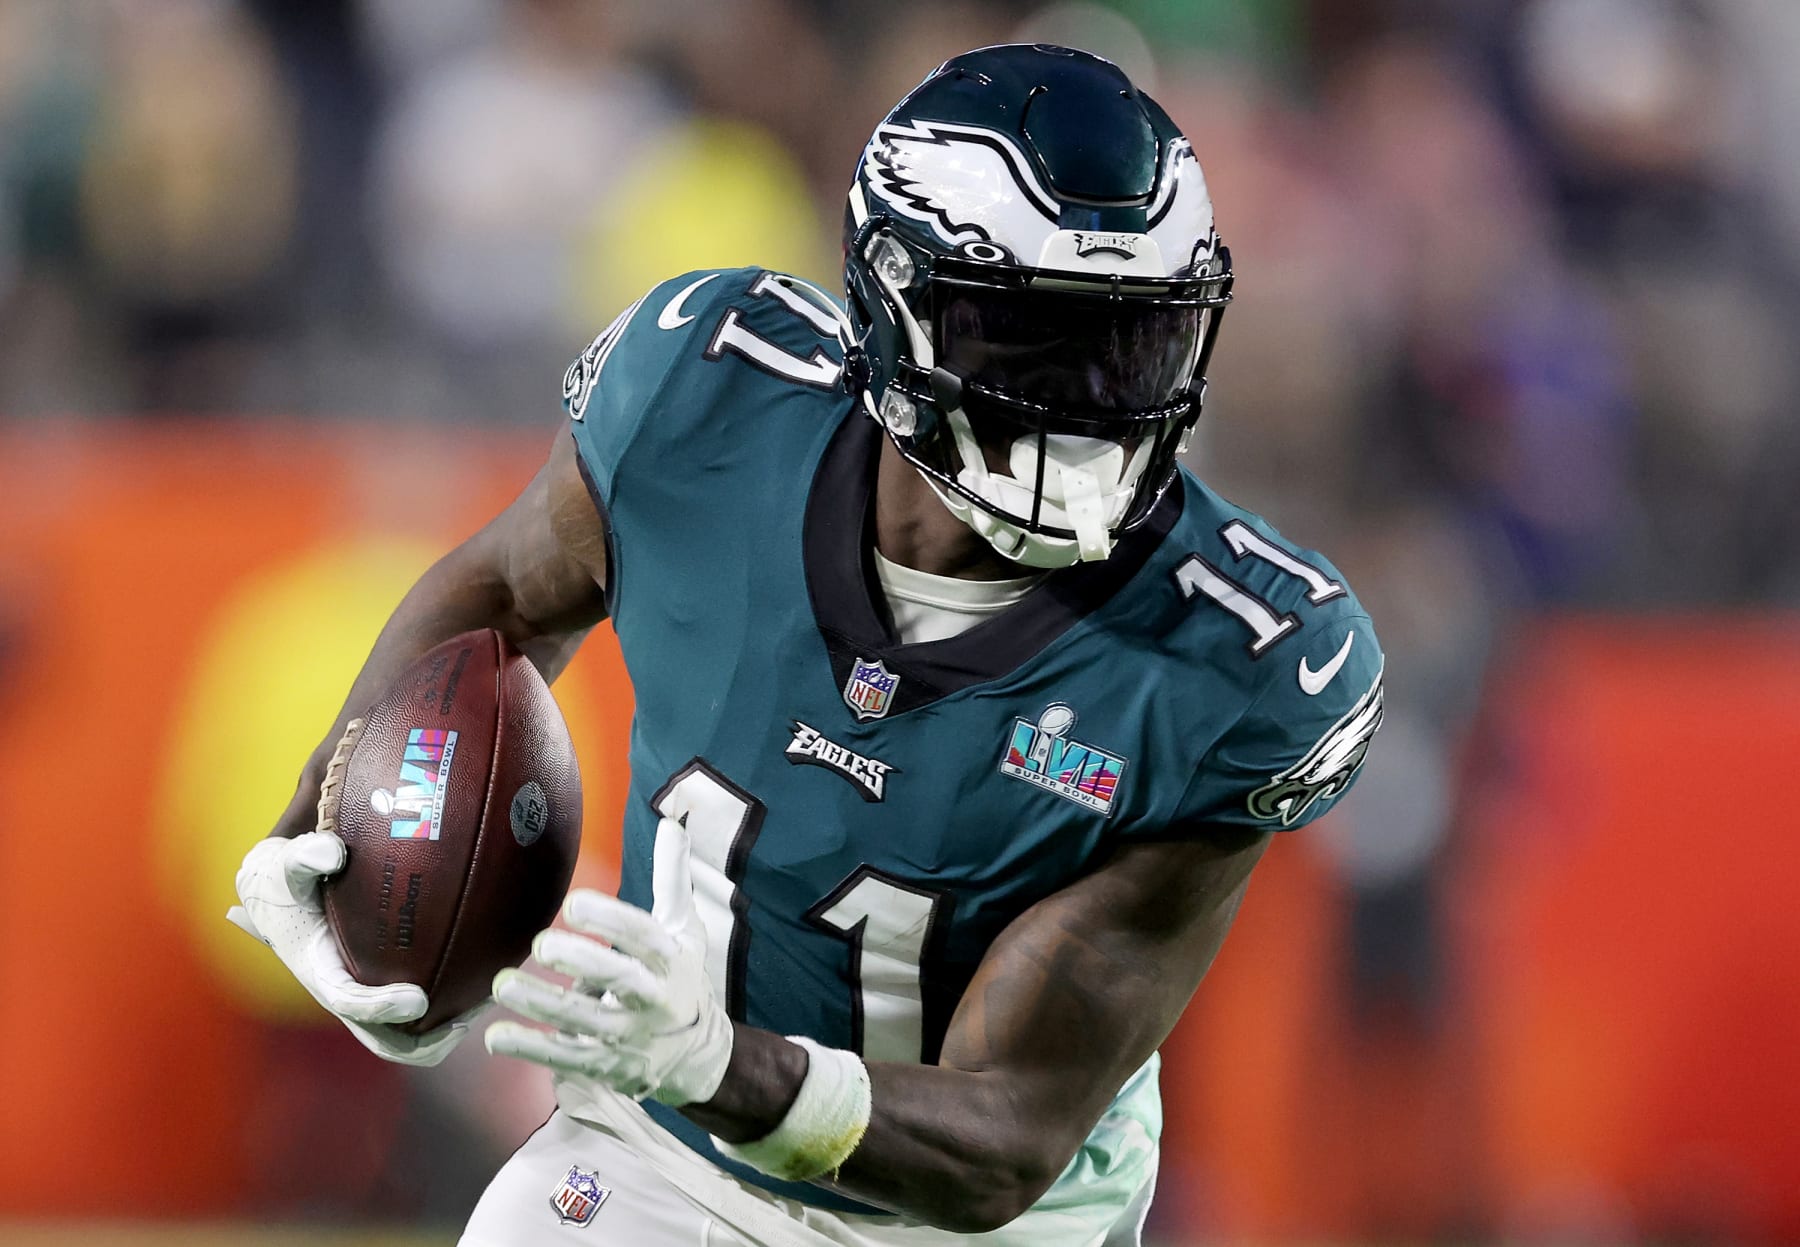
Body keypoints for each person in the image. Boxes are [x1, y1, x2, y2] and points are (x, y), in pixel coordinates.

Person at [228, 44, 1383, 1247]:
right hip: (652, 1159)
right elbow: (503, 595)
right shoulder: (706, 397)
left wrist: (723, 1061)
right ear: (894, 307)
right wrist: (335, 843)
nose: (1083, 400)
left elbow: (1007, 1134)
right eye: (1023, 339)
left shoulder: (1235, 660)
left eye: (1127, 343)